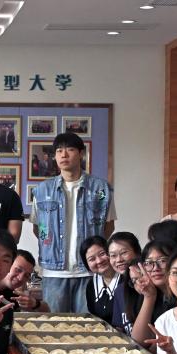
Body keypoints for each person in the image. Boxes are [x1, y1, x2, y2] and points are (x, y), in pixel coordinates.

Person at [30, 132, 115, 313]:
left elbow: (108, 226)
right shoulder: (42, 190)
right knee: (54, 325)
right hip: (54, 272)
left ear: (81, 153)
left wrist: (93, 251)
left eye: (70, 149)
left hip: (89, 271)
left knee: (89, 324)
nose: (64, 155)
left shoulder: (100, 189)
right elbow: (38, 228)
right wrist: (51, 245)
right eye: (59, 151)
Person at [107, 232, 143, 334]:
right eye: (113, 255)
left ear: (137, 252)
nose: (119, 260)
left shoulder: (149, 287)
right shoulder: (119, 290)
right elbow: (120, 329)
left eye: (124, 253)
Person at [80, 235, 119, 323]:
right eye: (92, 259)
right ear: (87, 265)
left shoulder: (126, 280)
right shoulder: (91, 285)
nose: (99, 261)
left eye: (102, 254)